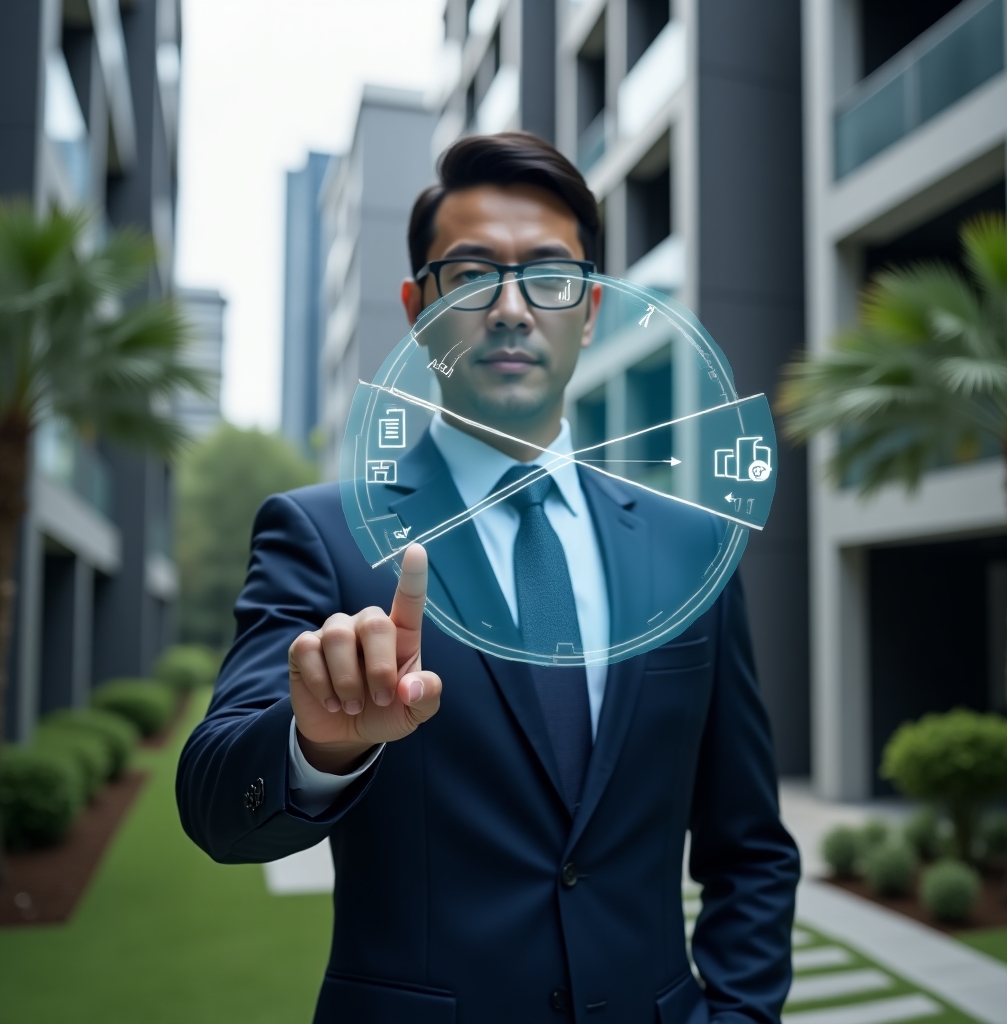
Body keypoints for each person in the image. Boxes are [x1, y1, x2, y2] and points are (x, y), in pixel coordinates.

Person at [177, 131, 800, 1024]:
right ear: (417, 309)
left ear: (592, 309)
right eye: (471, 275)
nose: (511, 309)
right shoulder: (323, 536)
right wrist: (316, 747)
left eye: (550, 275)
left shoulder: (692, 547)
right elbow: (214, 805)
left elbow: (751, 846)